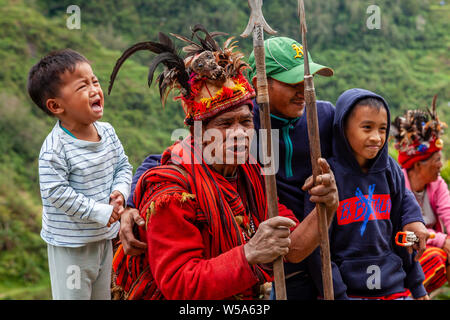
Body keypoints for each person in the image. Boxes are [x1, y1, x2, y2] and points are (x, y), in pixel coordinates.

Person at [118, 36, 431, 299]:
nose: (240, 132)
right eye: (226, 124)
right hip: (274, 271)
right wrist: (134, 203)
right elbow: (161, 163)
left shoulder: (311, 124)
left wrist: (403, 214)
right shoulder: (178, 186)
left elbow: (379, 162)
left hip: (308, 258)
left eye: (306, 81)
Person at [108, 29, 339, 299]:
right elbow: (179, 285)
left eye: (245, 121)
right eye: (225, 124)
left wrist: (326, 207)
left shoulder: (250, 173)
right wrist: (249, 253)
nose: (239, 133)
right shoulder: (172, 193)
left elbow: (294, 248)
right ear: (198, 133)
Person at [27, 49, 133, 299]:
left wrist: (120, 192)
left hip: (103, 238)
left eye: (94, 81)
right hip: (71, 246)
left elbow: (123, 166)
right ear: (55, 105)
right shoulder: (55, 149)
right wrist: (100, 212)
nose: (95, 89)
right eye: (82, 86)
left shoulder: (107, 132)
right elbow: (57, 193)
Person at [326, 88, 429, 299]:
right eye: (366, 128)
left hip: (393, 288)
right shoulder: (329, 175)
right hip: (349, 291)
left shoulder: (389, 169)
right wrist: (338, 295)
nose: (376, 137)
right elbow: (319, 249)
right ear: (343, 128)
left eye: (382, 129)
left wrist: (418, 287)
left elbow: (403, 234)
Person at [392, 97, 450, 294]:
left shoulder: (438, 184)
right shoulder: (397, 184)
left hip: (430, 251)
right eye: (436, 159)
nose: (440, 165)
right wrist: (442, 240)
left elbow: (448, 215)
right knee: (436, 257)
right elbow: (405, 233)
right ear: (418, 164)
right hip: (403, 253)